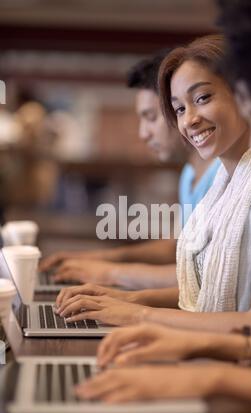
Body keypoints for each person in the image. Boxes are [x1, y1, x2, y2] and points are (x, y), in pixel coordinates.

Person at [72, 1, 251, 413]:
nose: (189, 119)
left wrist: (140, 315)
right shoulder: (224, 187)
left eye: (203, 98)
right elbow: (209, 290)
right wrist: (135, 306)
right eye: (179, 109)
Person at [40, 52, 220, 290]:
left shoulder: (222, 175)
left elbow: (206, 277)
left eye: (151, 117)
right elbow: (180, 247)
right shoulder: (190, 173)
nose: (143, 133)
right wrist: (103, 259)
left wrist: (112, 273)